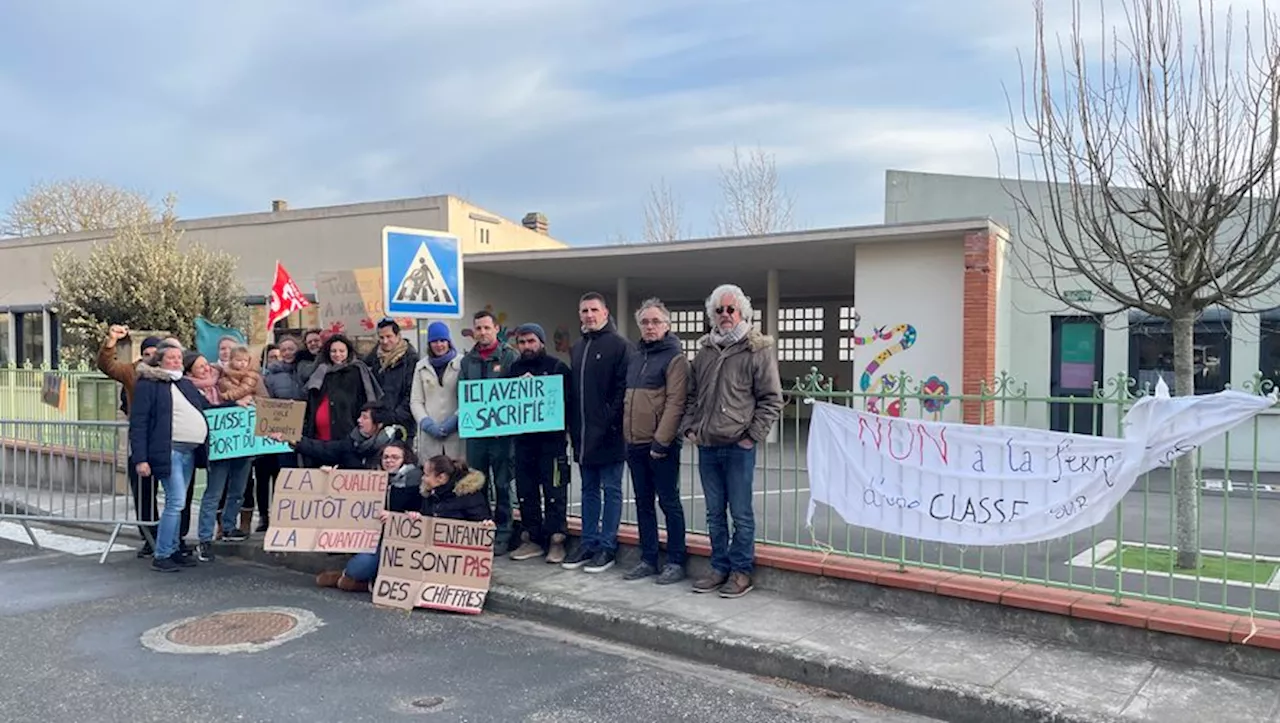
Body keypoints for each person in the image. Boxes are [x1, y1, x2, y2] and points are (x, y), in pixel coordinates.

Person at [680, 284, 783, 599]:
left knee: (740, 512)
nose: (725, 315)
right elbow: (692, 395)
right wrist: (690, 429)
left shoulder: (757, 349)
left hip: (738, 446)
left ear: (741, 313)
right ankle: (718, 567)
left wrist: (752, 437)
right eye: (719, 310)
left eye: (730, 310)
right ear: (713, 314)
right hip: (708, 446)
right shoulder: (705, 350)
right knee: (713, 513)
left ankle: (741, 572)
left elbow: (772, 399)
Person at [318, 453, 492, 593]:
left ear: (441, 478)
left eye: (426, 474)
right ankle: (365, 581)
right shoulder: (428, 493)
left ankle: (370, 585)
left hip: (444, 558)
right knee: (359, 567)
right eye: (385, 457)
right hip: (417, 551)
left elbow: (481, 531)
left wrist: (485, 526)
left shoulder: (470, 498)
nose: (422, 478)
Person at [622, 299, 690, 584]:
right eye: (645, 322)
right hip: (634, 443)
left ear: (667, 325)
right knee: (643, 503)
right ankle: (648, 558)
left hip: (660, 446)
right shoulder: (637, 357)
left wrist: (661, 442)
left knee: (669, 502)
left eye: (655, 322)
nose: (650, 327)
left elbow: (676, 402)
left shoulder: (675, 358)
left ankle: (675, 560)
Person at [563, 292, 631, 573]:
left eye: (594, 310)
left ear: (605, 313)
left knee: (611, 491)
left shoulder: (620, 346)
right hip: (583, 436)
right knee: (588, 490)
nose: (589, 315)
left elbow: (622, 390)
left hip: (610, 435)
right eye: (584, 311)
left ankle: (607, 547)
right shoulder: (578, 347)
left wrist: (607, 422)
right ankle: (588, 543)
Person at [129, 342, 209, 572]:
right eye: (171, 357)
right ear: (160, 361)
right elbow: (139, 422)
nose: (176, 361)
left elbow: (204, 407)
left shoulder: (184, 383)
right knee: (175, 502)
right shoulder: (149, 384)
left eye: (178, 357)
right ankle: (162, 553)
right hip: (168, 450)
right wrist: (141, 459)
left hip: (188, 451)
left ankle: (173, 549)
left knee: (179, 502)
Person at [313, 441, 423, 592]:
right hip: (373, 540)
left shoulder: (416, 483)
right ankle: (354, 578)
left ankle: (364, 583)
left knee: (364, 568)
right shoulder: (371, 478)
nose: (389, 461)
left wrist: (396, 517)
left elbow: (422, 514)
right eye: (386, 457)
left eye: (395, 457)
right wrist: (331, 477)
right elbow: (349, 495)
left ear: (405, 459)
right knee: (358, 568)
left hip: (401, 543)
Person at [506, 323, 572, 564]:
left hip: (552, 444)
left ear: (541, 342)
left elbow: (568, 402)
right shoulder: (513, 369)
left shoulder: (557, 367)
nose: (527, 346)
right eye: (522, 342)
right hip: (523, 443)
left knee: (555, 491)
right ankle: (532, 538)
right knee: (526, 492)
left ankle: (557, 540)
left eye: (531, 341)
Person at [97, 325, 162, 557]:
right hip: (142, 438)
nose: (152, 358)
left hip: (169, 439)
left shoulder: (173, 371)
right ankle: (150, 538)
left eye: (156, 353)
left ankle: (174, 538)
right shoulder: (132, 372)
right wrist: (111, 341)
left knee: (178, 493)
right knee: (144, 491)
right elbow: (108, 366)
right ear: (141, 355)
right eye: (147, 354)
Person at [457, 310, 518, 552]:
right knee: (477, 484)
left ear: (495, 329)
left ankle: (503, 533)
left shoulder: (509, 357)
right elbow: (463, 393)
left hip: (502, 436)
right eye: (478, 328)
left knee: (503, 484)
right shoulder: (466, 361)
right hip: (477, 435)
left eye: (486, 328)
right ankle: (480, 530)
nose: (482, 332)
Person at [301, 333, 381, 464]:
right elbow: (310, 402)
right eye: (333, 351)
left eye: (341, 351)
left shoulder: (356, 371)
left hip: (346, 436)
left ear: (348, 352)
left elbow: (365, 402)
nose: (337, 354)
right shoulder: (320, 372)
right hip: (318, 438)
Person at [283, 402, 407, 470]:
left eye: (365, 418)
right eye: (360, 416)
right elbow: (325, 449)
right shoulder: (350, 443)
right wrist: (296, 441)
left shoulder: (393, 446)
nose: (359, 421)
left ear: (379, 424)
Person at [410, 321, 463, 460]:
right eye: (434, 341)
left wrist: (454, 421)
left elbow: (468, 398)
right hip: (430, 435)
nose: (439, 345)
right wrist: (426, 423)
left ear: (449, 341)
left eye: (442, 340)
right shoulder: (421, 366)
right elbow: (416, 400)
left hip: (457, 433)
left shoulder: (462, 363)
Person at [365, 318, 419, 441]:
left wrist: (394, 416)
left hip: (403, 427)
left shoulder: (411, 360)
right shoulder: (372, 360)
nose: (385, 341)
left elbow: (412, 394)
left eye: (389, 336)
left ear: (398, 336)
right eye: (381, 337)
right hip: (378, 425)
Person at [245, 344, 280, 533]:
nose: (276, 359)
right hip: (260, 436)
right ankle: (263, 516)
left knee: (279, 477)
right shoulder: (255, 378)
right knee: (262, 478)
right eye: (272, 356)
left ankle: (277, 515)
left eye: (278, 356)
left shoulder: (288, 376)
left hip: (281, 432)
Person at [262, 336, 304, 401]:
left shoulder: (306, 369)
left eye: (291, 349)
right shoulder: (272, 375)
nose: (287, 353)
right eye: (283, 350)